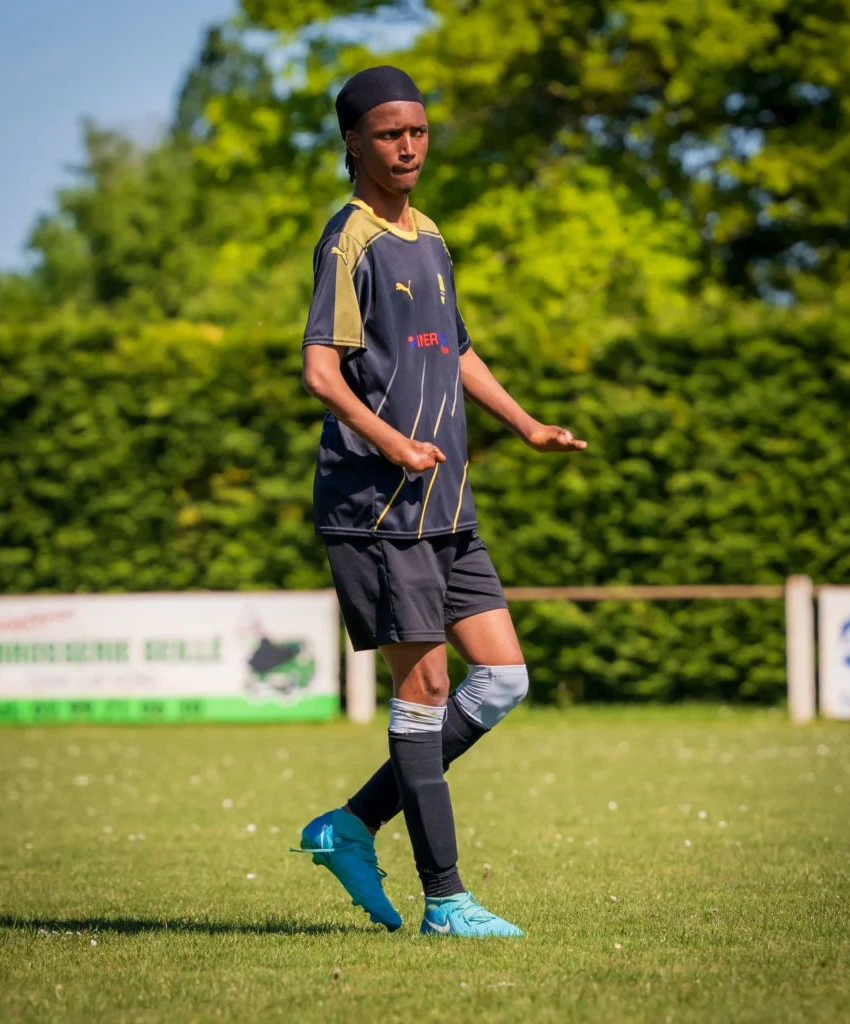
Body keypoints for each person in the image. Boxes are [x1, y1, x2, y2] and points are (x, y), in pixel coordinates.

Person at [293, 65, 586, 938]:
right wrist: (389, 442)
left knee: (501, 680)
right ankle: (446, 901)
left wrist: (525, 423)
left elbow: (455, 351)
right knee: (423, 689)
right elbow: (320, 371)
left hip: (445, 504)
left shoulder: (431, 236)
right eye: (389, 134)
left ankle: (349, 824)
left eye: (417, 130)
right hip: (378, 507)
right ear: (353, 143)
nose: (408, 146)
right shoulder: (348, 240)